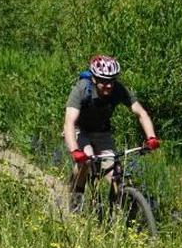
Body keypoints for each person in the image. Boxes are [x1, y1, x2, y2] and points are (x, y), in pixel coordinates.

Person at [64, 54, 159, 210]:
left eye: (111, 80)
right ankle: (75, 203)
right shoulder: (81, 89)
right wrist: (75, 150)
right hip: (79, 130)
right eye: (103, 81)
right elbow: (69, 122)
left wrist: (151, 137)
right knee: (86, 161)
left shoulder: (118, 90)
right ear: (94, 79)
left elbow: (141, 113)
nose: (108, 85)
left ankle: (114, 213)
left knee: (116, 173)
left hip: (101, 132)